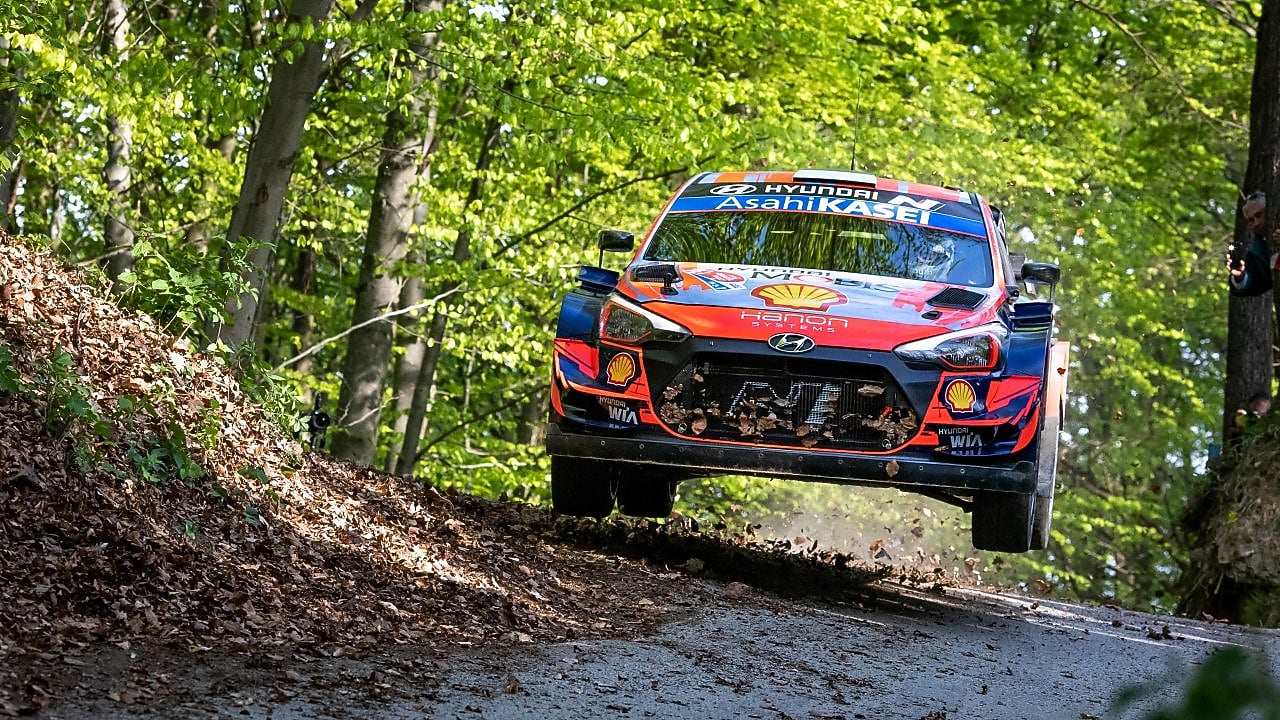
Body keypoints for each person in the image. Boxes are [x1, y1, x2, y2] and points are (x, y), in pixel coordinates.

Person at [1225, 191, 1279, 296]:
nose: (1256, 222)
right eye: (1251, 220)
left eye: (1259, 215)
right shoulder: (1259, 253)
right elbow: (1255, 282)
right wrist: (1240, 275)